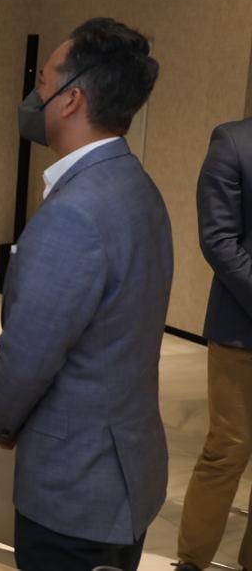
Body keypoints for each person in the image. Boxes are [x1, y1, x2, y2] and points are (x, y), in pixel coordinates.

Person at [0, 18, 169, 571]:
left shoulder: (75, 212)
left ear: (71, 99)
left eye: (42, 81)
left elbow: (30, 352)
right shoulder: (138, 186)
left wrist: (0, 419)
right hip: (128, 473)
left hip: (76, 488)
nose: (34, 95)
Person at [175, 115, 252, 571]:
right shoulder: (233, 141)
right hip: (242, 329)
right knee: (228, 448)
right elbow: (219, 241)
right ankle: (192, 561)